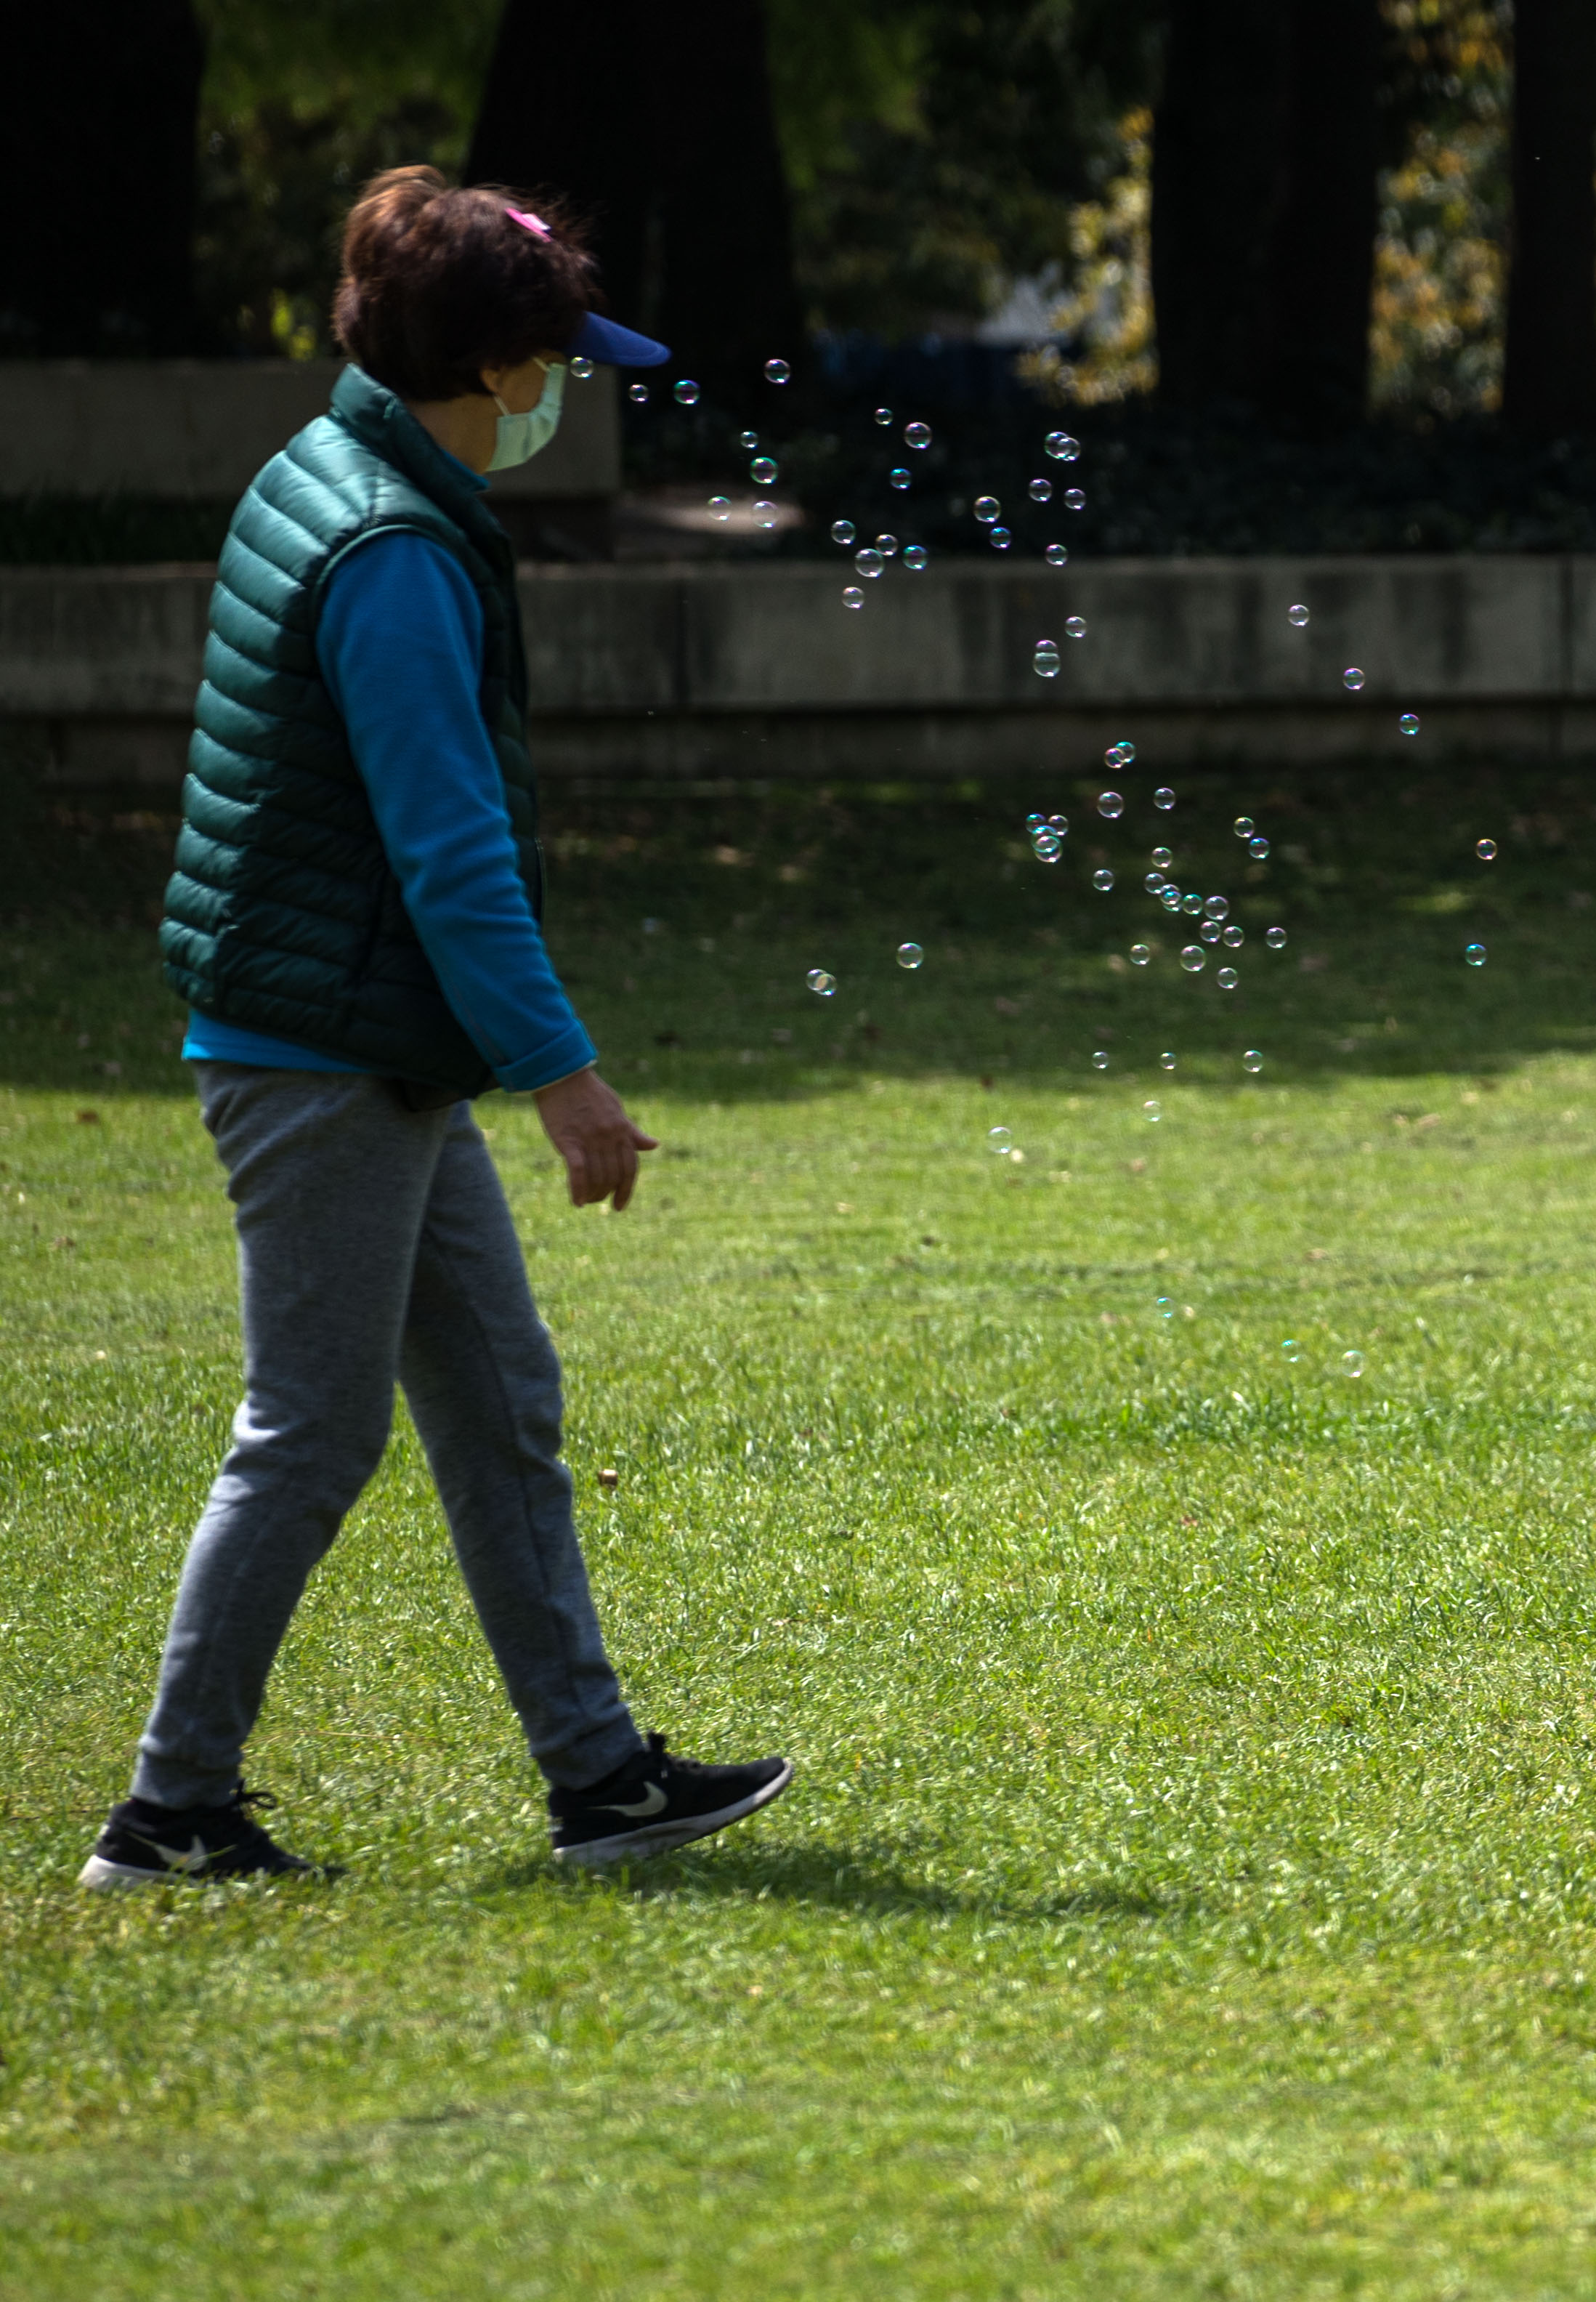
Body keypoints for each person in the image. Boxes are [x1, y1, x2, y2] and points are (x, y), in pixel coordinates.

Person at [81, 167, 793, 1889]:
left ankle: (599, 1777)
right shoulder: (393, 550)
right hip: (320, 1055)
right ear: (485, 367)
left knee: (497, 1400)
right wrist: (567, 1083)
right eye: (551, 359)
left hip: (356, 1039)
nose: (562, 393)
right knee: (311, 1432)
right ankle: (170, 1814)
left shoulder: (338, 469)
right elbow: (451, 859)